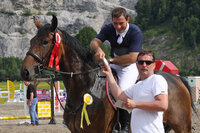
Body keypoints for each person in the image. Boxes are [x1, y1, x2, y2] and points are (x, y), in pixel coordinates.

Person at [90, 7, 142, 132]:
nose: (118, 27)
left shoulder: (135, 31)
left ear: (127, 20)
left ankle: (124, 125)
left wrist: (109, 61)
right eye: (115, 23)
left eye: (121, 23)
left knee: (123, 92)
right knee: (93, 83)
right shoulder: (108, 28)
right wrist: (98, 49)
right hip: (111, 64)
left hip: (128, 67)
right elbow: (93, 42)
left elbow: (132, 58)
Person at [101, 50, 168, 133]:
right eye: (141, 62)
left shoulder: (157, 79)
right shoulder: (136, 86)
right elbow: (119, 97)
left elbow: (163, 105)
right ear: (137, 65)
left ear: (154, 65)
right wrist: (109, 74)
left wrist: (135, 104)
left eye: (148, 62)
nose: (144, 65)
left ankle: (124, 126)